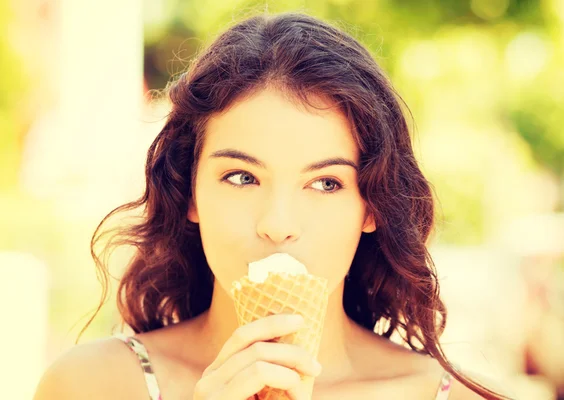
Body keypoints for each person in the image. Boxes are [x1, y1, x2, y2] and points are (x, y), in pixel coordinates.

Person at [33, 11, 513, 400]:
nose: (278, 224)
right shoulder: (91, 385)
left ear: (372, 208)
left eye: (325, 183)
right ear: (190, 195)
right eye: (241, 177)